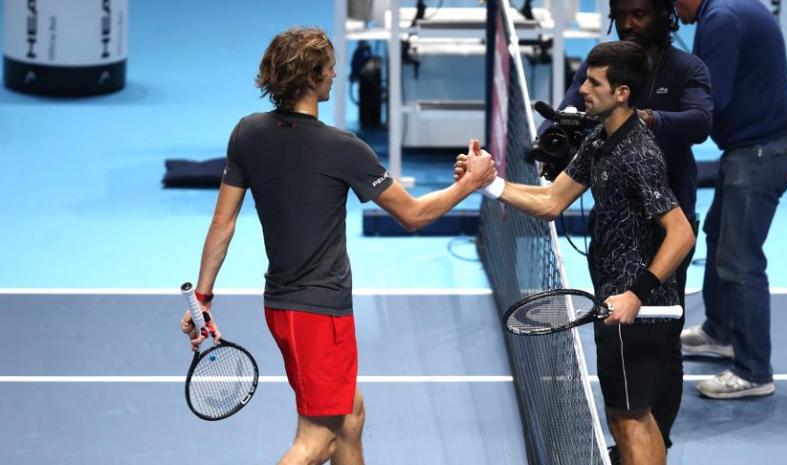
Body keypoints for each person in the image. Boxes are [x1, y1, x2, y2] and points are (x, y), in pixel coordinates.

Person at [178, 27, 495, 465]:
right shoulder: (343, 149)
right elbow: (414, 215)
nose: (334, 74)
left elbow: (222, 222)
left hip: (283, 306)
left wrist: (203, 297)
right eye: (328, 67)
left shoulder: (247, 133)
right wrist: (472, 184)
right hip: (318, 314)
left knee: (350, 416)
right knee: (318, 440)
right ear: (311, 77)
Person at [460, 40, 694, 465]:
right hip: (616, 301)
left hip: (634, 308)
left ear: (621, 92)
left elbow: (681, 233)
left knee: (628, 420)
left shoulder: (638, 153)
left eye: (593, 81)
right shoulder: (600, 140)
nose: (582, 88)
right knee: (633, 417)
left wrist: (636, 294)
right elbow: (551, 200)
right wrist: (488, 183)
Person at [539, 0, 713, 451]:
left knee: (658, 356)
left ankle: (658, 440)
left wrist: (646, 119)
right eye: (623, 14)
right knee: (629, 408)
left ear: (663, 15)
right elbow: (569, 115)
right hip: (616, 234)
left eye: (641, 14)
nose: (631, 23)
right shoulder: (606, 68)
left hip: (664, 230)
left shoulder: (685, 70)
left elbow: (700, 123)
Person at [674, 0, 787, 399]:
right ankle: (721, 331)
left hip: (763, 151)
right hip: (755, 146)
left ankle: (752, 370)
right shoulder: (722, 12)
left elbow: (712, 102)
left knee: (740, 259)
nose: (671, 9)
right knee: (718, 233)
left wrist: (658, 120)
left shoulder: (722, 20)